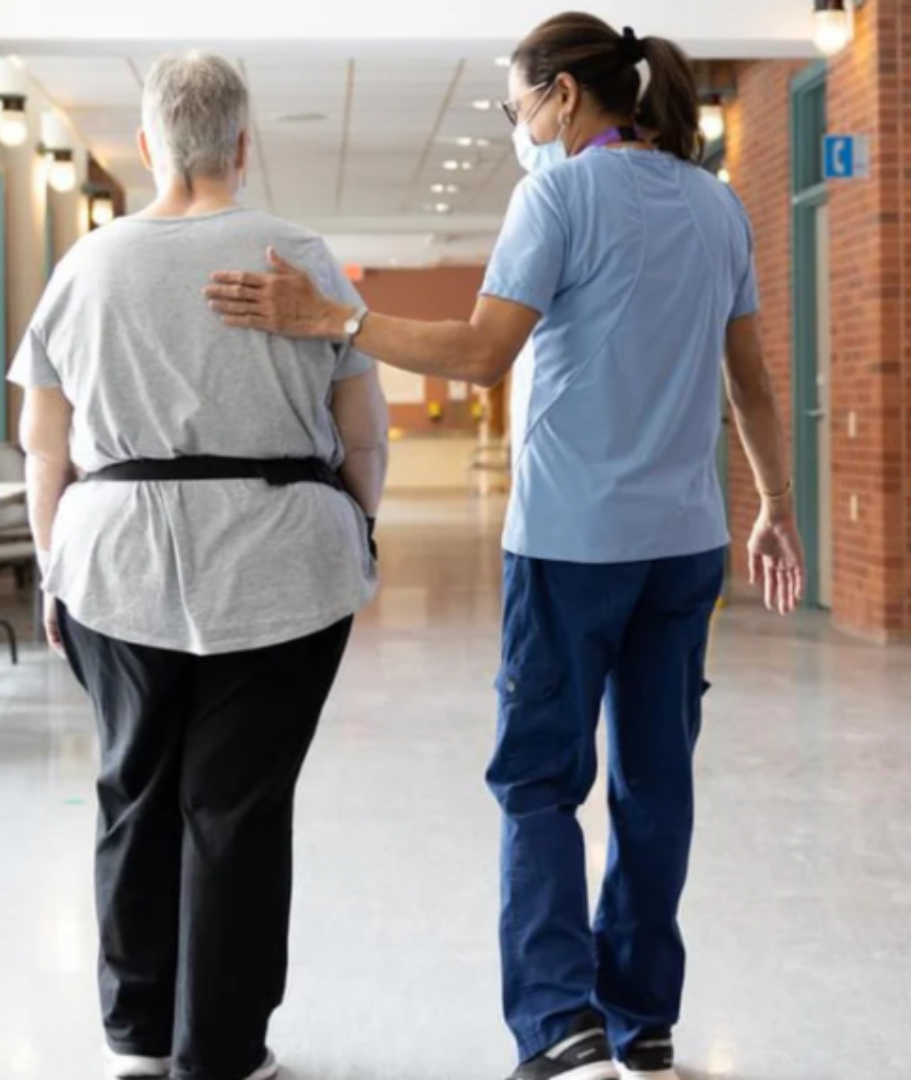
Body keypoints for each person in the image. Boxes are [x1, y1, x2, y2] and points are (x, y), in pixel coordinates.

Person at [204, 13, 806, 1080]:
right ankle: (643, 1021)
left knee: (537, 782)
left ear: (564, 97)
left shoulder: (558, 195)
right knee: (655, 783)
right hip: (685, 548)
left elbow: (481, 353)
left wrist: (331, 316)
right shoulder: (720, 209)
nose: (515, 123)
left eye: (516, 102)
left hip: (573, 546)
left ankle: (559, 1023)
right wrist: (775, 507)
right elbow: (752, 381)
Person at [9, 52, 388, 1080]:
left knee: (134, 786)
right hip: (282, 560)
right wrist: (357, 524)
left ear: (146, 146)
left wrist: (54, 567)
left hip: (112, 557)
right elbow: (361, 432)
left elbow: (44, 444)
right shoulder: (296, 253)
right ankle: (219, 1049)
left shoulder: (84, 267)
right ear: (241, 144)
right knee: (239, 805)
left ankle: (136, 1032)